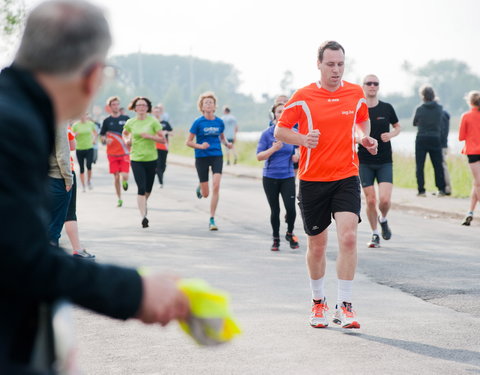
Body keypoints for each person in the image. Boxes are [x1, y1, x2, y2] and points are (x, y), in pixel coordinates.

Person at [0, 2, 188, 372]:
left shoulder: (16, 111)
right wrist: (136, 292)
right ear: (91, 76)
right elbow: (20, 258)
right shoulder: (14, 127)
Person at [274, 41, 378, 329]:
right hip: (312, 180)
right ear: (318, 64)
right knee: (317, 245)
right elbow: (281, 130)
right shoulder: (303, 96)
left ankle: (344, 305)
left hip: (346, 175)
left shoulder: (355, 93)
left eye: (340, 64)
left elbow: (361, 123)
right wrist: (303, 140)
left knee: (348, 238)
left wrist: (363, 138)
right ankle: (318, 302)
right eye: (330, 64)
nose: (336, 69)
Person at [359, 74, 401, 248]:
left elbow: (398, 126)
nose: (372, 86)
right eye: (369, 83)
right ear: (363, 86)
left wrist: (390, 135)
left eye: (375, 83)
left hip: (384, 160)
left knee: (384, 200)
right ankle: (375, 233)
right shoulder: (359, 109)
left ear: (378, 87)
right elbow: (351, 128)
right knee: (370, 200)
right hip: (364, 160)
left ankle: (383, 219)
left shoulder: (386, 108)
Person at [186, 92, 232, 231]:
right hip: (201, 157)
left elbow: (221, 138)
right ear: (202, 106)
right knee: (206, 194)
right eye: (206, 102)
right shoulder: (198, 122)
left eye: (211, 102)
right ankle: (201, 185)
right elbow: (188, 142)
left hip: (217, 155)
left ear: (214, 106)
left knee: (216, 185)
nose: (208, 104)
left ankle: (212, 218)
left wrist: (227, 143)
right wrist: (200, 146)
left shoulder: (219, 122)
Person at [257, 103, 299, 251]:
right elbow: (259, 156)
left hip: (287, 176)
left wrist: (297, 155)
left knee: (291, 209)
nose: (282, 114)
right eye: (279, 111)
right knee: (275, 210)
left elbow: (300, 149)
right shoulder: (267, 134)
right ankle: (276, 239)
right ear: (274, 114)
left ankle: (289, 233)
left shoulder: (293, 132)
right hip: (270, 177)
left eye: (284, 111)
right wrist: (273, 149)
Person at [123, 96, 165, 228]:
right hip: (136, 159)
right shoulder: (130, 122)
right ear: (134, 108)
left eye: (144, 105)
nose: (141, 107)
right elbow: (124, 133)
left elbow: (162, 139)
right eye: (139, 105)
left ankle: (143, 203)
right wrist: (127, 141)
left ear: (148, 108)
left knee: (148, 188)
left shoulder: (153, 122)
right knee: (141, 188)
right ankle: (143, 216)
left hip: (151, 159)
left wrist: (150, 136)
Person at [65, 124, 95, 259]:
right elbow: (72, 146)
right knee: (69, 213)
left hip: (41, 173)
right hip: (64, 172)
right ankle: (77, 249)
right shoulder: (64, 126)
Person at [413, 85, 446, 197]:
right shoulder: (439, 108)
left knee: (420, 165)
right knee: (437, 165)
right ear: (433, 95)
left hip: (421, 138)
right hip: (435, 138)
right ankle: (441, 189)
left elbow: (414, 123)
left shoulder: (420, 108)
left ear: (422, 96)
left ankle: (421, 190)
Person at [100, 96, 130, 207]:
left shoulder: (126, 118)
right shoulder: (106, 121)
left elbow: (131, 132)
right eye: (113, 104)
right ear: (109, 107)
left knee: (125, 175)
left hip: (125, 152)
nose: (116, 106)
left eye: (117, 104)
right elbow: (102, 136)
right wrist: (105, 140)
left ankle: (125, 181)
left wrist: (130, 139)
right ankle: (119, 198)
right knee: (116, 176)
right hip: (112, 153)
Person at [48, 125, 73, 246]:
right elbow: (62, 156)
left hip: (38, 178)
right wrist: (68, 179)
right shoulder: (59, 123)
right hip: (57, 178)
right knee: (54, 228)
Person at [459, 90, 480, 226]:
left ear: (470, 102)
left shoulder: (466, 116)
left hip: (472, 152)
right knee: (477, 182)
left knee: (478, 183)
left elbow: (461, 137)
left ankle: (471, 212)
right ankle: (470, 212)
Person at [72, 113, 97, 192]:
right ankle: (83, 186)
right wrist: (75, 135)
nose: (83, 116)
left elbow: (95, 133)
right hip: (79, 148)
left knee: (89, 165)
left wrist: (94, 140)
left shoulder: (90, 124)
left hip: (89, 148)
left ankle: (89, 181)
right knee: (81, 168)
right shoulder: (75, 125)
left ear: (86, 116)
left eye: (84, 115)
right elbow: (71, 136)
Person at [152, 105, 173, 188]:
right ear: (152, 113)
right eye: (155, 112)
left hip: (164, 146)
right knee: (158, 164)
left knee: (163, 165)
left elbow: (172, 132)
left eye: (158, 111)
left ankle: (158, 173)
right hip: (154, 146)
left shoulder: (165, 123)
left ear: (160, 113)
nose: (157, 113)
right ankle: (161, 182)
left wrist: (166, 132)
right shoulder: (151, 123)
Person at [440, 110, 452, 195]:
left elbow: (443, 131)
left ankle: (446, 188)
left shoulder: (441, 114)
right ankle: (444, 188)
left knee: (442, 165)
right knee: (442, 165)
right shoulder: (445, 114)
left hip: (440, 144)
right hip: (444, 143)